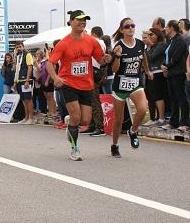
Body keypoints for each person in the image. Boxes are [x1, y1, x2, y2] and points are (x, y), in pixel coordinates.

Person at [46, 10, 111, 161]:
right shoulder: (64, 43)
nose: (83, 22)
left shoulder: (91, 41)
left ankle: (71, 123)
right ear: (71, 22)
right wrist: (55, 77)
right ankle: (74, 149)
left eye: (85, 20)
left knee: (86, 121)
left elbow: (100, 61)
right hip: (68, 84)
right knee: (76, 116)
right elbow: (50, 63)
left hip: (87, 85)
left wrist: (106, 59)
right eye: (79, 20)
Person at [110, 18, 149, 158]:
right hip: (120, 85)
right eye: (127, 26)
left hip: (135, 83)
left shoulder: (140, 43)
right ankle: (114, 145)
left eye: (133, 25)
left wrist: (148, 70)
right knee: (119, 120)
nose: (130, 28)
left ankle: (133, 131)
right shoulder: (118, 46)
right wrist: (118, 57)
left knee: (143, 109)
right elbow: (114, 70)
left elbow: (143, 57)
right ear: (122, 30)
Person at [161, 20, 189, 131]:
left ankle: (185, 122)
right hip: (171, 73)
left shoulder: (180, 40)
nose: (165, 29)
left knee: (181, 97)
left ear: (172, 28)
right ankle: (174, 122)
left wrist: (166, 66)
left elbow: (176, 57)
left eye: (167, 27)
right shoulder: (170, 41)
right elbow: (166, 54)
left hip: (178, 73)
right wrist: (163, 65)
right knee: (173, 98)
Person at [143, 28, 167, 126]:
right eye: (146, 36)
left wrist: (150, 45)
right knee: (150, 96)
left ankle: (161, 118)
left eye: (151, 34)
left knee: (158, 96)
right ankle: (153, 118)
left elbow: (150, 57)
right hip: (149, 73)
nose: (149, 37)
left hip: (158, 73)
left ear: (157, 35)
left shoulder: (160, 45)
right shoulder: (148, 48)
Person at [13, 41, 35, 124]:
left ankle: (31, 118)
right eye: (17, 47)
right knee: (23, 100)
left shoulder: (28, 55)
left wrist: (27, 80)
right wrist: (15, 82)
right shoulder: (18, 56)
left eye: (20, 46)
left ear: (23, 46)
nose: (18, 48)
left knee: (28, 99)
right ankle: (26, 117)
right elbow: (17, 70)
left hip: (26, 81)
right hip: (19, 81)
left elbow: (30, 68)